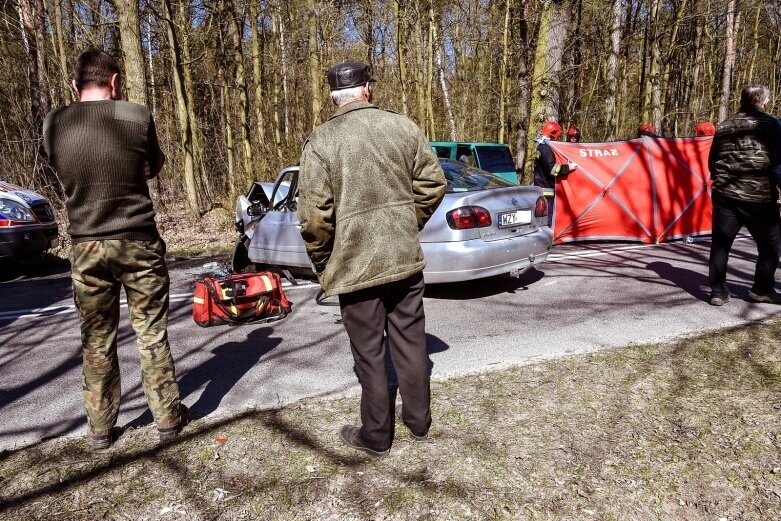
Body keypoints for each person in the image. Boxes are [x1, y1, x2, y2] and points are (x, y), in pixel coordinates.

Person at [297, 61, 446, 457]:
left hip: (355, 264)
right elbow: (433, 184)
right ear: (367, 90)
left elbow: (313, 216)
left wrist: (323, 260)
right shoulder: (403, 127)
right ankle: (419, 422)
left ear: (334, 97)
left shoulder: (321, 141)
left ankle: (377, 436)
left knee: (369, 352)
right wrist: (404, 223)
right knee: (412, 344)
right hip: (403, 258)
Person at [43, 50, 187, 449]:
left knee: (96, 339)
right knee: (151, 334)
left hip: (86, 245)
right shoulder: (136, 116)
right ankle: (168, 420)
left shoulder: (54, 122)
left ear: (75, 86)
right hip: (138, 240)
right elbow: (153, 164)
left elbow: (59, 163)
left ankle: (102, 428)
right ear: (116, 82)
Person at [707, 84, 781, 306]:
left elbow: (713, 160)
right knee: (770, 246)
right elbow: (778, 164)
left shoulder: (724, 125)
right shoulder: (771, 124)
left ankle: (718, 292)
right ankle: (761, 290)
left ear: (742, 100)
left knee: (721, 244)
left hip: (725, 194)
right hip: (758, 197)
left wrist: (719, 178)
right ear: (764, 101)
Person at [532, 120, 577, 227]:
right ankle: (547, 240)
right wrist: (569, 167)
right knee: (547, 217)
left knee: (541, 216)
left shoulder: (540, 146)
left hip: (540, 186)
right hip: (546, 189)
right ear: (553, 133)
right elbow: (553, 169)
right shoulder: (546, 148)